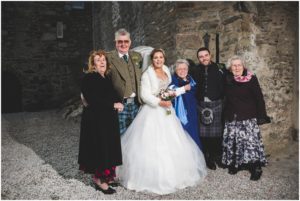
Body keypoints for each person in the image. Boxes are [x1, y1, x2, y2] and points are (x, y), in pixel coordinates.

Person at [116, 48, 207, 195]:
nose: (159, 60)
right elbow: (145, 95)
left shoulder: (165, 69)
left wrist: (183, 89)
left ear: (164, 59)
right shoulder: (147, 74)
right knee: (152, 143)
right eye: (156, 58)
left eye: (161, 57)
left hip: (167, 112)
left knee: (172, 140)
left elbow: (169, 90)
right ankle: (150, 178)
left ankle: (175, 174)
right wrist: (160, 102)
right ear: (152, 59)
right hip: (153, 111)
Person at [78, 50, 124, 194]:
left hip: (107, 119)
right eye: (98, 60)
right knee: (100, 148)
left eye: (103, 59)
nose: (102, 62)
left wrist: (118, 102)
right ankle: (99, 180)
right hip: (96, 121)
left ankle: (107, 177)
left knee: (108, 147)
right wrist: (112, 105)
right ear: (93, 64)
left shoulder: (105, 77)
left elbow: (112, 94)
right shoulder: (90, 78)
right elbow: (92, 99)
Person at [222, 55, 270, 180]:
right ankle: (236, 164)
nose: (237, 67)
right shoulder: (227, 79)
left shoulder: (251, 78)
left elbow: (259, 98)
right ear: (230, 67)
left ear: (243, 66)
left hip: (248, 116)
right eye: (234, 65)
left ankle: (255, 167)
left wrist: (261, 116)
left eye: (239, 65)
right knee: (234, 142)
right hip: (232, 116)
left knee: (250, 144)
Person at [191, 47, 227, 170]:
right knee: (204, 134)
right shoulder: (194, 70)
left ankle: (217, 156)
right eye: (201, 56)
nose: (204, 58)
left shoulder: (220, 68)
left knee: (217, 133)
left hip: (216, 103)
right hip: (201, 104)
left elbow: (226, 84)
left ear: (210, 55)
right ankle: (208, 158)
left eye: (206, 55)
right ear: (198, 58)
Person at [107, 28, 143, 135]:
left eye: (126, 41)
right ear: (115, 42)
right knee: (119, 136)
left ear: (130, 42)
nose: (123, 44)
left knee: (135, 136)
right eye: (120, 41)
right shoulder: (108, 58)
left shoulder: (137, 56)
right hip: (120, 104)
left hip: (137, 104)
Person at [170, 59, 202, 150]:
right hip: (180, 113)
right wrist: (183, 88)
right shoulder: (173, 81)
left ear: (188, 69)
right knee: (183, 135)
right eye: (179, 69)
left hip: (192, 112)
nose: (182, 71)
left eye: (184, 68)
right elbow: (171, 94)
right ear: (175, 70)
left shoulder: (192, 80)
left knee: (194, 134)